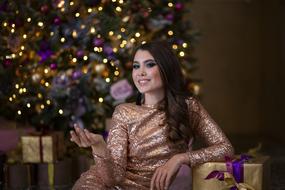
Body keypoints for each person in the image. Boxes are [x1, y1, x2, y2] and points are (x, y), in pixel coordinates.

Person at [70, 41, 234, 190]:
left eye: (149, 65)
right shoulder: (124, 112)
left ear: (165, 68)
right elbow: (113, 179)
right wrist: (99, 145)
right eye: (136, 66)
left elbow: (226, 149)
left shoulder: (188, 106)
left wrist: (180, 158)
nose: (140, 72)